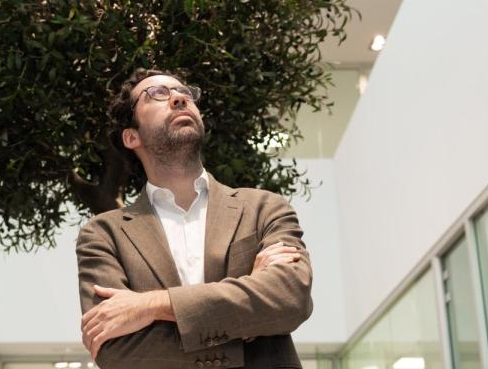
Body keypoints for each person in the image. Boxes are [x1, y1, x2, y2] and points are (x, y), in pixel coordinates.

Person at [76, 68, 313, 369]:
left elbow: (290, 300)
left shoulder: (263, 208)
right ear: (131, 136)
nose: (178, 98)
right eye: (157, 94)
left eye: (185, 93)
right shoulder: (103, 234)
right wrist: (249, 317)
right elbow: (116, 350)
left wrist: (151, 305)